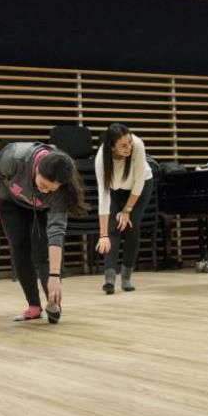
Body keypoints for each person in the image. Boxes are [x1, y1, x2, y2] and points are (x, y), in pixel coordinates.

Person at [0, 142, 88, 323]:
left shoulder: (60, 192)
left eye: (50, 189)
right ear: (37, 169)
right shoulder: (14, 158)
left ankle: (53, 300)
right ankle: (33, 305)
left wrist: (55, 276)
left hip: (39, 210)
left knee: (42, 252)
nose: (45, 191)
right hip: (10, 202)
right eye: (43, 185)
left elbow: (56, 232)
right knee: (19, 247)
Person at [94, 123, 154, 294]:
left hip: (140, 188)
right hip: (116, 190)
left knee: (130, 225)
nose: (128, 147)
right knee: (113, 229)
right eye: (123, 145)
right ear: (112, 146)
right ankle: (109, 279)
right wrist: (103, 234)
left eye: (129, 142)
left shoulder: (138, 145)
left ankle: (126, 277)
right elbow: (103, 196)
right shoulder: (101, 158)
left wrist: (127, 210)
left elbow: (139, 183)